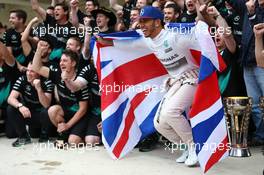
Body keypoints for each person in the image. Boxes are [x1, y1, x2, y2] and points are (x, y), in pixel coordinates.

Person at [97, 6, 199, 166]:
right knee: (159, 124)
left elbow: (199, 40)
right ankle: (187, 146)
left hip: (194, 79)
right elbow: (128, 45)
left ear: (158, 22)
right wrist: (105, 41)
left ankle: (195, 147)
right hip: (177, 82)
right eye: (140, 21)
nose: (141, 25)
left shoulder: (176, 36)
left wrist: (203, 19)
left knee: (170, 112)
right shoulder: (148, 39)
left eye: (145, 21)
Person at [32, 46, 91, 146]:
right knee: (52, 110)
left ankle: (77, 136)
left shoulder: (80, 81)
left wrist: (68, 125)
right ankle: (63, 135)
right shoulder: (57, 73)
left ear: (73, 63)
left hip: (80, 117)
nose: (61, 63)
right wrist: (38, 50)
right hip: (66, 113)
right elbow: (37, 68)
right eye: (60, 60)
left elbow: (83, 109)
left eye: (65, 61)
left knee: (73, 142)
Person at [7, 62, 54, 146]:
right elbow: (10, 98)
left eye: (32, 71)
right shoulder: (22, 79)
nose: (28, 73)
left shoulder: (47, 82)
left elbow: (46, 105)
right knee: (11, 108)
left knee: (46, 110)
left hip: (44, 117)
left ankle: (45, 135)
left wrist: (39, 88)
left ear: (39, 72)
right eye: (27, 70)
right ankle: (23, 136)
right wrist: (20, 106)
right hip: (29, 114)